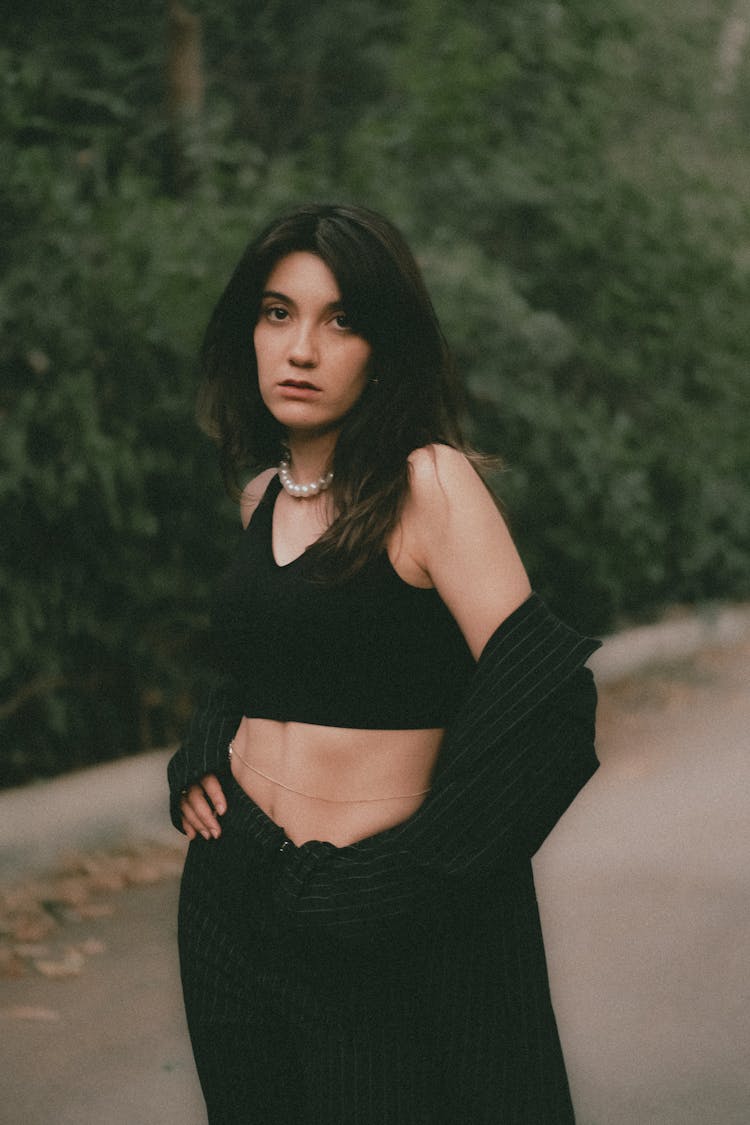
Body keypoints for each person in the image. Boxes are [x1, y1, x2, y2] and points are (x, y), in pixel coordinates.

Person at [168, 203, 600, 1124]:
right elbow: (270, 669)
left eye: (342, 321)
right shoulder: (259, 497)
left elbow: (549, 701)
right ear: (247, 328)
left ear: (383, 345)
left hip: (370, 911)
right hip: (229, 894)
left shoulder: (429, 485)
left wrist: (404, 881)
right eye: (278, 313)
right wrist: (207, 740)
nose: (302, 348)